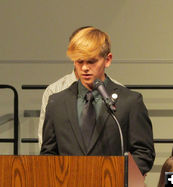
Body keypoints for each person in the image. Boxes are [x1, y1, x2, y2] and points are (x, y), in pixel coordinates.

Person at [40, 26, 155, 175]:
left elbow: (144, 153)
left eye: (91, 61)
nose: (85, 68)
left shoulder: (130, 102)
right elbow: (48, 154)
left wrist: (116, 175)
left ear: (107, 60)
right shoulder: (57, 103)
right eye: (79, 62)